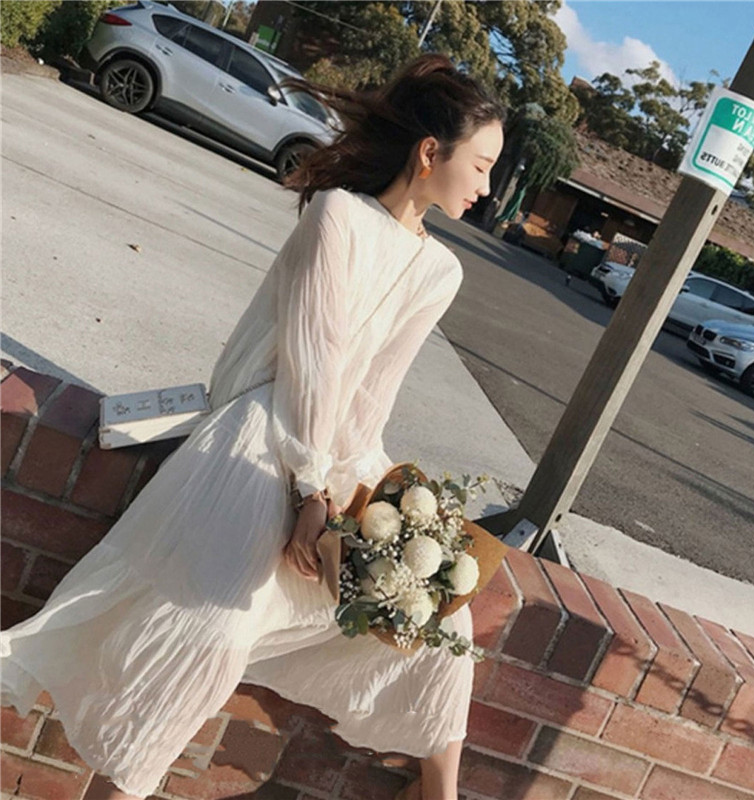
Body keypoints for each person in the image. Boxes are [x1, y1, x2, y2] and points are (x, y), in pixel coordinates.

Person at [0, 53, 505, 800]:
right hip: (259, 435)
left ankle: (440, 793)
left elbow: (372, 395)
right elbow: (310, 360)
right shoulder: (338, 216)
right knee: (210, 630)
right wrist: (309, 492)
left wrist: (374, 498)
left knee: (443, 625)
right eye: (483, 165)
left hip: (339, 454)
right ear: (431, 152)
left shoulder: (441, 272)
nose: (487, 187)